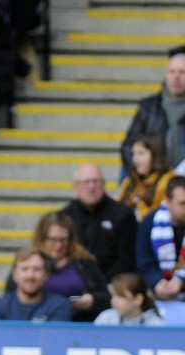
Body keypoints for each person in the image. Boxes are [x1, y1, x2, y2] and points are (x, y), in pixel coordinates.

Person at [12, 211, 109, 322]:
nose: (58, 245)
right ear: (42, 238)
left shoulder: (83, 261)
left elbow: (106, 297)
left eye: (63, 240)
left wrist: (93, 300)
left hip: (79, 322)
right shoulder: (28, 262)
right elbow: (13, 296)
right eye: (52, 240)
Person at [62, 163, 138, 281]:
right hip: (74, 283)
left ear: (104, 184)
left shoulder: (123, 215)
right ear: (75, 186)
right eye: (86, 182)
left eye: (96, 181)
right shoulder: (66, 217)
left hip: (114, 285)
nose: (91, 187)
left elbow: (127, 260)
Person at [121, 49, 185, 177]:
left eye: (182, 72)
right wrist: (144, 173)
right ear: (166, 75)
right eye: (171, 71)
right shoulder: (148, 107)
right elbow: (128, 146)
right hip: (153, 180)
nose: (176, 77)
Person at [136, 175, 185, 302]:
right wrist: (157, 282)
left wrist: (181, 281)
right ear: (168, 202)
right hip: (157, 296)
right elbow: (144, 262)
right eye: (182, 203)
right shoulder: (149, 223)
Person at [118, 133, 176, 220]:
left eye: (141, 153)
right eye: (133, 154)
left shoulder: (169, 181)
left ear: (155, 155)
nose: (135, 159)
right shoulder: (130, 181)